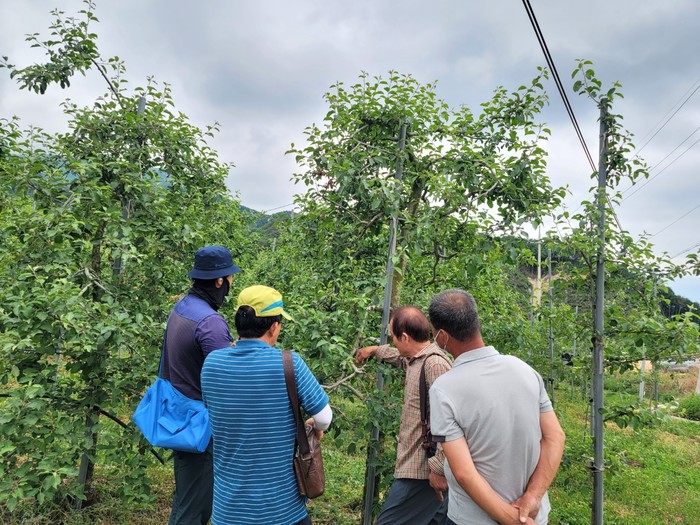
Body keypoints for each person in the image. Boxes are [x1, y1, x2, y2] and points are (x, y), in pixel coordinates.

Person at [427, 289, 566, 525]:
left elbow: (464, 473)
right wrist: (532, 498)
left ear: (442, 336)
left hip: (472, 520)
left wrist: (514, 521)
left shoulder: (444, 389)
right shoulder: (525, 370)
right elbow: (555, 437)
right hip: (533, 516)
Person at [201, 285, 333, 525]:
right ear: (274, 327)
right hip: (282, 511)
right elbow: (324, 418)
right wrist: (315, 426)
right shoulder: (289, 363)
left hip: (228, 510)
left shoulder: (212, 364)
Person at [161, 245, 241, 525]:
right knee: (195, 509)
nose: (230, 284)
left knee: (187, 499)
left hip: (181, 418)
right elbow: (229, 379)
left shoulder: (183, 307)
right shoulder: (210, 322)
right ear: (219, 281)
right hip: (202, 428)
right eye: (230, 278)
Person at [355, 306, 452, 525]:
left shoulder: (435, 365)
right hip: (417, 468)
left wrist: (439, 468)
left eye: (394, 337)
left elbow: (451, 421)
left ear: (405, 337)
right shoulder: (416, 360)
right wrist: (374, 350)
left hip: (423, 471)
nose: (393, 342)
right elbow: (399, 358)